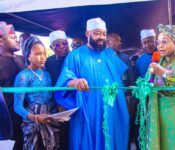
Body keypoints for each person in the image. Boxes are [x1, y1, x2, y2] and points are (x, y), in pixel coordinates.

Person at [55, 17, 129, 150]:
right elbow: (64, 82)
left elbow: (121, 80)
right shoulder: (75, 56)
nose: (101, 37)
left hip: (111, 110)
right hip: (88, 110)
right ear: (87, 34)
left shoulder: (110, 54)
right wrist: (76, 81)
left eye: (104, 34)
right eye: (97, 33)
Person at [14, 36, 60, 149]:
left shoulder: (47, 75)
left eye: (44, 53)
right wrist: (35, 118)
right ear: (28, 55)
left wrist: (58, 110)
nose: (43, 57)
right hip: (32, 124)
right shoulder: (23, 76)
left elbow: (51, 98)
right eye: (38, 54)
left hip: (50, 121)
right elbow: (17, 106)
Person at [0, 21, 24, 149]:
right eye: (12, 38)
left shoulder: (23, 60)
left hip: (24, 118)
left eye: (16, 37)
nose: (17, 40)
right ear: (1, 41)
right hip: (4, 122)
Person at [46, 30, 70, 150]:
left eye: (64, 43)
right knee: (61, 138)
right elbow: (50, 85)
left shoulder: (75, 58)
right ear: (51, 47)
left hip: (76, 104)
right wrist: (58, 103)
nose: (62, 47)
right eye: (57, 45)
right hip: (57, 107)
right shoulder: (48, 62)